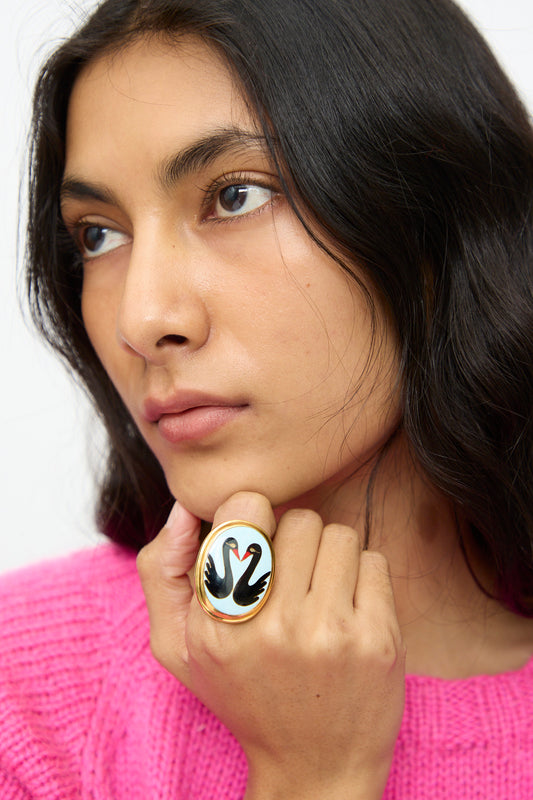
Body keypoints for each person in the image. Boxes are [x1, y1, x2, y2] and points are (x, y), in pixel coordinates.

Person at [1, 0, 532, 797]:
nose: (141, 318)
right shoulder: (25, 698)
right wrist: (311, 775)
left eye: (234, 196)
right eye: (98, 234)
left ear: (436, 223)